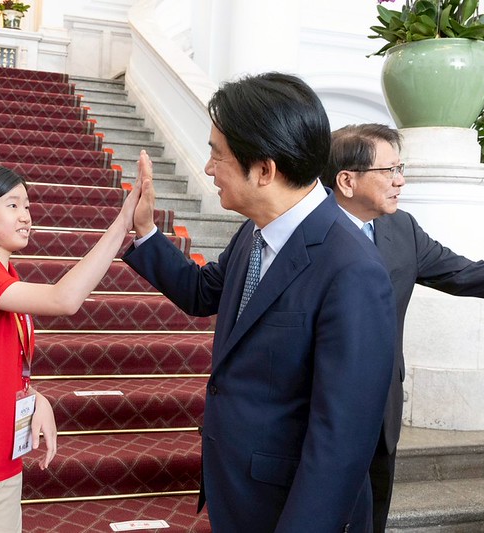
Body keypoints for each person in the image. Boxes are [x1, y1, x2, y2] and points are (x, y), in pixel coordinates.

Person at [122, 73, 397, 532]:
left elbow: (341, 440)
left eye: (217, 154)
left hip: (291, 509)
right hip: (241, 494)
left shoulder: (352, 269)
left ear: (265, 170)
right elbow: (202, 291)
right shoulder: (256, 231)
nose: (209, 168)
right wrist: (148, 231)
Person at [0, 165, 142, 532]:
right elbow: (64, 299)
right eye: (13, 205)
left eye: (28, 206)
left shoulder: (7, 278)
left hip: (2, 461)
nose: (26, 216)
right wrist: (122, 224)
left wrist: (34, 397)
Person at [320, 123, 484, 532]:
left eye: (401, 168)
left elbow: (465, 274)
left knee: (374, 516)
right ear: (347, 180)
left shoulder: (402, 228)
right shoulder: (306, 230)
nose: (401, 181)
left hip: (382, 409)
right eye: (390, 171)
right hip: (318, 412)